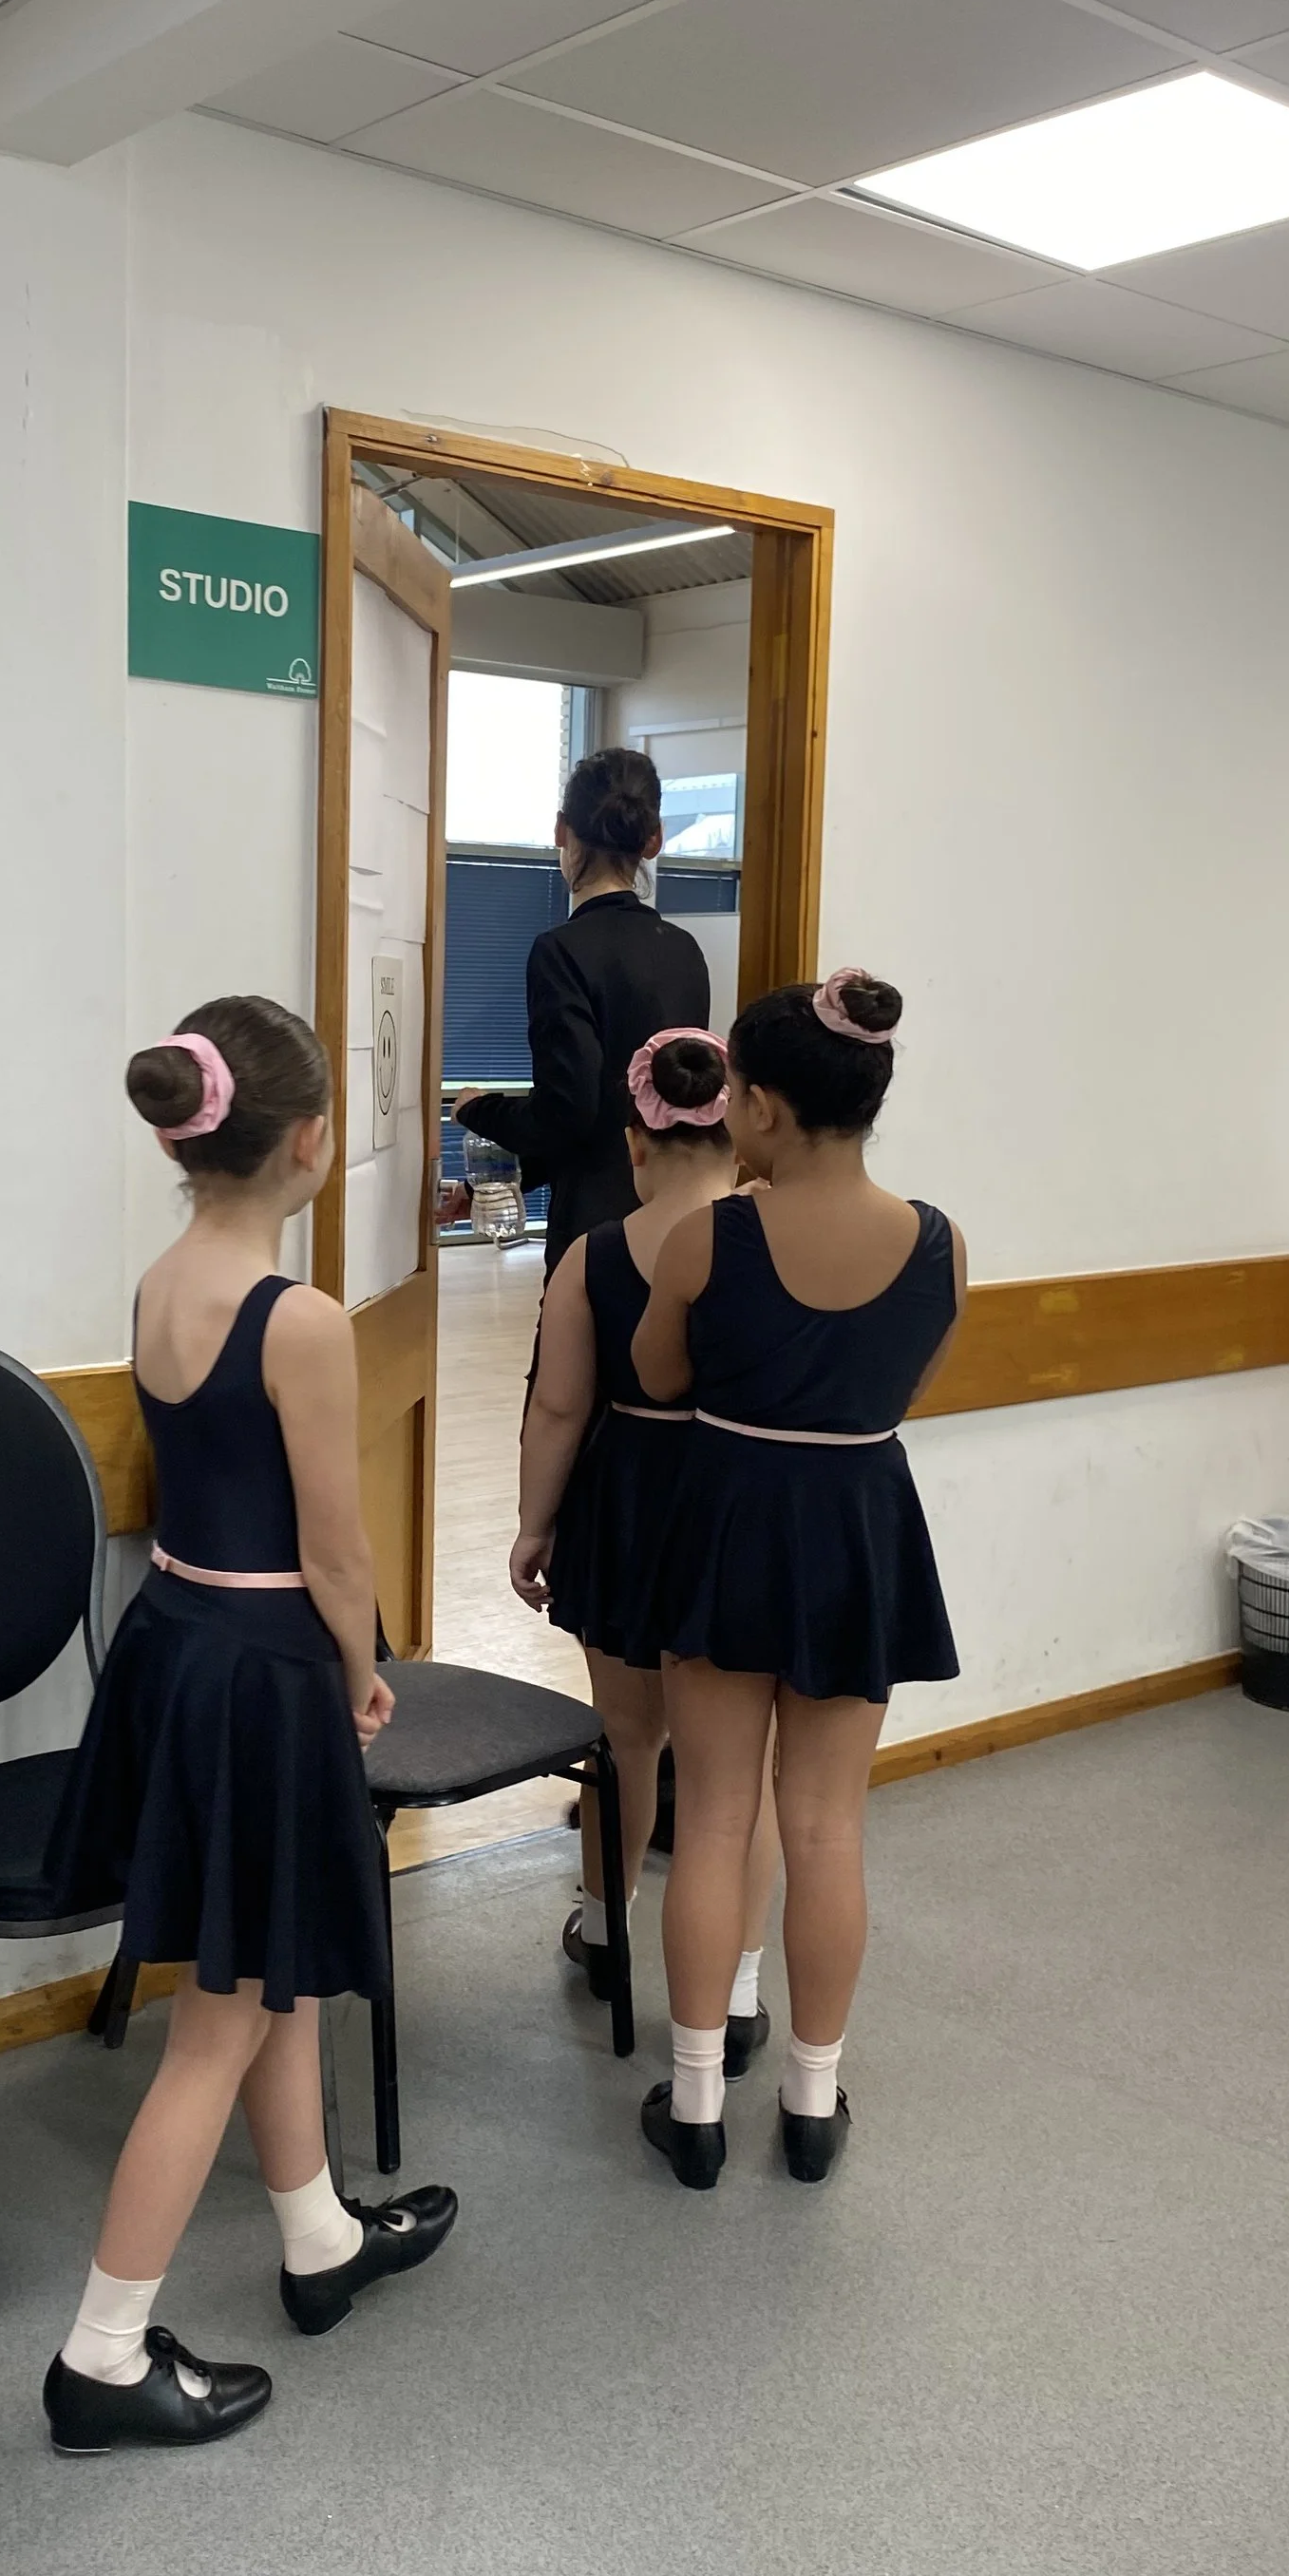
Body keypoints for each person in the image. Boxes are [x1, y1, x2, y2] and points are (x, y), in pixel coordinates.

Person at [41, 996, 457, 2453]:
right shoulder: (301, 1320)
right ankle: (101, 2350)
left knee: (260, 1959)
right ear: (313, 1144)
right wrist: (365, 1663)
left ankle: (317, 2234)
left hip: (180, 1639)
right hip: (271, 1655)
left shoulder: (161, 1281)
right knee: (216, 2024)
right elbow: (337, 1550)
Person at [633, 971, 965, 2191]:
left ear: (760, 1107)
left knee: (715, 1819)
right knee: (826, 1827)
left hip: (726, 1522)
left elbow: (660, 1377)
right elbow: (907, 1382)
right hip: (859, 1527)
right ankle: (815, 2100)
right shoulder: (937, 1238)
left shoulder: (707, 1237)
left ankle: (697, 2101)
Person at [508, 1028, 779, 2067]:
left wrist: (536, 1525)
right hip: (735, 1510)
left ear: (635, 1141)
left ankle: (606, 1927)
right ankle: (742, 1985)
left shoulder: (596, 1255)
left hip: (624, 1508)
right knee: (735, 1775)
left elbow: (558, 1407)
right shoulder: (769, 1243)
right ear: (742, 1127)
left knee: (627, 1743)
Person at [451, 748, 713, 1270]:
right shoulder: (685, 950)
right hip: (680, 1221)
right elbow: (606, 1115)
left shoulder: (561, 951)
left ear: (560, 830)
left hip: (596, 1234)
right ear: (654, 839)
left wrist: (476, 1108)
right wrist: (495, 1179)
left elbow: (569, 1113)